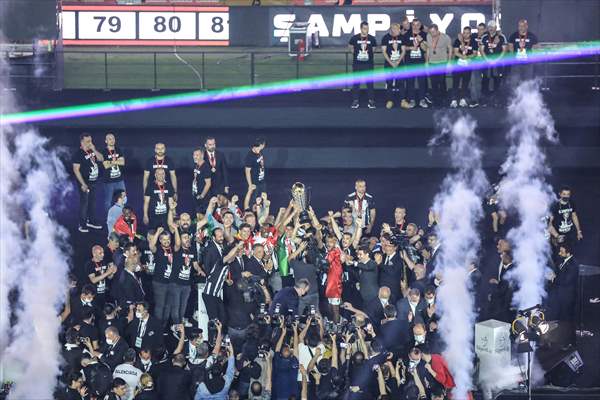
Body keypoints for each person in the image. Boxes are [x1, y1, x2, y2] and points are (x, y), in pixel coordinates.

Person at [148, 226, 181, 326]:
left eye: (168, 239)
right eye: (164, 239)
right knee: (160, 305)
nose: (166, 241)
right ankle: (157, 327)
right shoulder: (158, 249)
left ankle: (164, 326)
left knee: (168, 306)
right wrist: (158, 232)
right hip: (160, 282)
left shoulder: (173, 249)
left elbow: (178, 244)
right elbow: (151, 245)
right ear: (160, 240)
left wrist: (176, 230)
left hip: (171, 282)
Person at [73, 133, 104, 233]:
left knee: (92, 202)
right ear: (82, 142)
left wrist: (94, 149)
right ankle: (82, 224)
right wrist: (82, 184)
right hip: (85, 182)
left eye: (91, 141)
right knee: (84, 202)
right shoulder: (78, 154)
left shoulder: (92, 151)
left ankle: (91, 221)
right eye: (87, 141)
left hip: (94, 181)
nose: (90, 143)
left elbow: (101, 159)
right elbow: (76, 170)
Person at [349, 21, 377, 109]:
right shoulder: (354, 38)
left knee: (370, 83)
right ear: (361, 28)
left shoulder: (372, 38)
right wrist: (359, 55)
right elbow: (350, 47)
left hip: (368, 64)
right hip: (357, 64)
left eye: (368, 28)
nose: (367, 30)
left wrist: (365, 55)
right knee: (356, 83)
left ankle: (371, 101)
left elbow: (373, 49)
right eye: (365, 28)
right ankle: (355, 101)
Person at [402, 18, 428, 108]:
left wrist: (421, 41)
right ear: (411, 25)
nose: (416, 27)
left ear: (420, 25)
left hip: (420, 62)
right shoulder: (406, 35)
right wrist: (410, 48)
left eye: (417, 25)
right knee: (410, 82)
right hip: (410, 62)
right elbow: (403, 48)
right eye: (414, 25)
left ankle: (422, 100)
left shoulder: (424, 34)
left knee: (422, 82)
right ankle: (411, 100)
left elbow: (425, 49)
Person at [481, 20, 507, 106]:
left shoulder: (502, 37)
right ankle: (485, 100)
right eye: (489, 27)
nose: (491, 29)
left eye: (493, 27)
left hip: (498, 63)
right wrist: (487, 60)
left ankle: (497, 101)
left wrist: (497, 60)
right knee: (485, 81)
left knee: (497, 82)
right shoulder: (484, 37)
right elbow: (481, 50)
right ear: (487, 28)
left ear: (496, 28)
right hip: (486, 62)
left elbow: (504, 50)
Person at [426, 24, 453, 107]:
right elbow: (428, 49)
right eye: (430, 32)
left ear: (437, 30)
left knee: (441, 82)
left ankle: (443, 99)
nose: (432, 34)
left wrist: (449, 62)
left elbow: (450, 48)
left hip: (442, 62)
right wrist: (426, 62)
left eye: (433, 32)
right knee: (433, 83)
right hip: (432, 63)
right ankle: (436, 101)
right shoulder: (428, 36)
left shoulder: (445, 37)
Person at [451, 26, 477, 108]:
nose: (466, 34)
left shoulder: (473, 42)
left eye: (467, 33)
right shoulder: (457, 40)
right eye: (464, 33)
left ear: (470, 33)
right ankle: (454, 100)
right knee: (455, 83)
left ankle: (463, 100)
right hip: (457, 65)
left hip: (467, 65)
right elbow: (455, 52)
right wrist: (462, 56)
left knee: (465, 83)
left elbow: (475, 53)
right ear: (462, 33)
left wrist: (468, 57)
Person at [381, 23, 405, 109]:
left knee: (401, 82)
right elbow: (384, 51)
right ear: (392, 29)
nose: (398, 31)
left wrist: (398, 62)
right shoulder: (385, 38)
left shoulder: (402, 37)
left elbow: (403, 51)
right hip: (388, 64)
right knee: (389, 83)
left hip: (400, 64)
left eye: (398, 29)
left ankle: (402, 100)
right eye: (396, 29)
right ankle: (389, 101)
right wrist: (391, 63)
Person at [102, 132, 126, 214]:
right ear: (106, 141)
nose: (112, 141)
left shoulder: (118, 149)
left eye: (113, 139)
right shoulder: (104, 152)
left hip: (119, 180)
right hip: (108, 181)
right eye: (109, 139)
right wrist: (116, 161)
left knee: (123, 199)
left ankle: (121, 217)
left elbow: (123, 162)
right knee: (108, 202)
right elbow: (105, 165)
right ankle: (109, 218)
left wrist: (111, 162)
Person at [244, 137, 267, 204]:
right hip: (255, 183)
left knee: (263, 200)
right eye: (263, 145)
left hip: (262, 181)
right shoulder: (249, 156)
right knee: (253, 201)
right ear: (260, 145)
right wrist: (250, 185)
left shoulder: (260, 152)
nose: (264, 146)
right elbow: (247, 172)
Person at [191, 147, 212, 220]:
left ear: (202, 156)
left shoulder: (205, 167)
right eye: (194, 155)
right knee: (197, 216)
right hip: (196, 195)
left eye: (197, 155)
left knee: (202, 217)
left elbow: (208, 183)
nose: (195, 157)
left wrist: (202, 195)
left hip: (203, 198)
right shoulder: (196, 165)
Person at [469, 22, 487, 107]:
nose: (480, 31)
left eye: (482, 29)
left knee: (481, 82)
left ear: (485, 30)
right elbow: (464, 36)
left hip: (485, 62)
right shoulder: (473, 36)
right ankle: (474, 100)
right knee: (473, 81)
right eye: (478, 29)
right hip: (474, 61)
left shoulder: (488, 37)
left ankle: (481, 99)